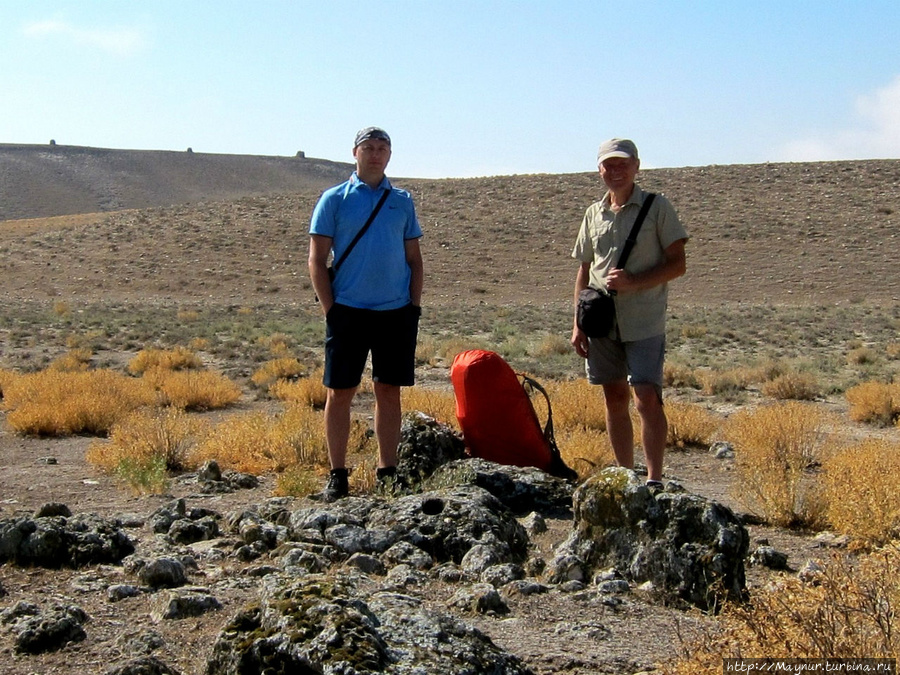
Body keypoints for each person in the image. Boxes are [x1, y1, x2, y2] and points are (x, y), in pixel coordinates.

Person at [308, 126, 424, 501]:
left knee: (388, 391)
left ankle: (387, 471)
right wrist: (331, 310)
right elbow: (316, 258)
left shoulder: (402, 201)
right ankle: (337, 474)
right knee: (340, 392)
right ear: (354, 153)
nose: (375, 154)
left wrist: (414, 307)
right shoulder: (334, 199)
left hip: (395, 312)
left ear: (389, 155)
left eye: (382, 148)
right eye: (368, 147)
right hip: (348, 312)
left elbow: (414, 259)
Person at [570, 138, 687, 491]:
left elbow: (678, 264)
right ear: (599, 169)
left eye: (623, 164)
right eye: (609, 164)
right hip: (601, 321)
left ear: (637, 166)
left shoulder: (657, 207)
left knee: (646, 396)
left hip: (644, 319)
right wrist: (577, 323)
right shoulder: (593, 213)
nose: (615, 170)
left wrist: (635, 282)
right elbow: (584, 270)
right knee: (614, 396)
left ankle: (654, 479)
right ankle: (625, 476)